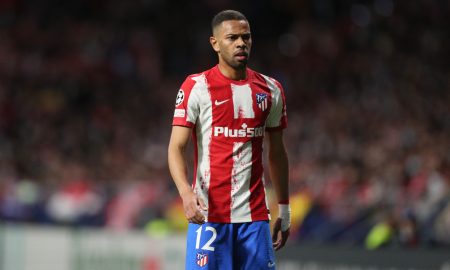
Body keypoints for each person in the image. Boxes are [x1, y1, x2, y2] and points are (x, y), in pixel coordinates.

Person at [168, 10, 290, 270]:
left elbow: (277, 153)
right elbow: (176, 147)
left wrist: (284, 208)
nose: (240, 43)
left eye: (245, 37)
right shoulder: (196, 87)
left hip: (255, 220)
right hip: (209, 217)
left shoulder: (271, 90)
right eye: (232, 37)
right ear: (215, 43)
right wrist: (186, 194)